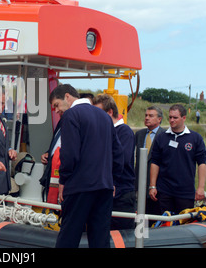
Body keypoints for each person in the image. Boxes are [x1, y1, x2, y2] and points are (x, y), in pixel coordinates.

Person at [52, 84, 124, 248]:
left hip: (79, 187)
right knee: (100, 239)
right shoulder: (105, 116)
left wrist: (63, 180)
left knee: (68, 237)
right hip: (104, 188)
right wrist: (112, 180)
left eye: (57, 105)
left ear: (67, 97)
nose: (56, 110)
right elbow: (118, 153)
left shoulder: (71, 115)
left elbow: (69, 154)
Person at [149, 104, 206, 215]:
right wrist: (152, 186)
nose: (171, 120)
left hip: (185, 192)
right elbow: (155, 162)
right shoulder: (161, 137)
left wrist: (201, 188)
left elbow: (202, 164)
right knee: (164, 225)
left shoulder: (195, 138)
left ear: (183, 118)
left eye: (175, 117)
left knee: (183, 226)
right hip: (164, 191)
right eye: (170, 117)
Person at [93, 94, 136, 230]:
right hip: (106, 191)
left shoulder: (124, 132)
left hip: (121, 194)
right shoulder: (103, 132)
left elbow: (121, 159)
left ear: (110, 112)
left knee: (121, 233)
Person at [134, 106, 166, 218]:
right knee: (141, 219)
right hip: (140, 186)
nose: (147, 118)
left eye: (151, 116)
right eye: (146, 115)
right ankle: (141, 235)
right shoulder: (139, 134)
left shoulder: (165, 135)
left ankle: (153, 235)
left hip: (157, 187)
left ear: (159, 119)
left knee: (154, 217)